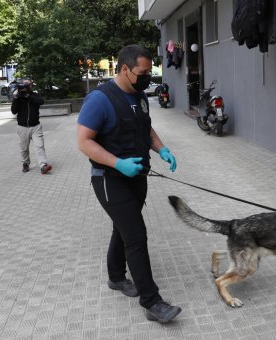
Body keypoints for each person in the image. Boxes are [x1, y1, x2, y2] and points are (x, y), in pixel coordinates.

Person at [76, 45, 181, 322]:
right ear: (125, 69)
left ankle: (116, 277)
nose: (148, 77)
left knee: (122, 228)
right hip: (110, 180)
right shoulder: (100, 100)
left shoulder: (140, 96)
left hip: (138, 177)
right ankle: (152, 302)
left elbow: (145, 128)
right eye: (143, 72)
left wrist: (162, 149)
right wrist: (117, 163)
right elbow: (83, 142)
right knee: (136, 236)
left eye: (150, 71)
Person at [11, 78, 52, 174]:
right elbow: (13, 111)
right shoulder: (18, 97)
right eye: (25, 84)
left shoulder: (34, 95)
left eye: (29, 84)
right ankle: (25, 163)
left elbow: (41, 101)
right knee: (24, 148)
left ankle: (43, 165)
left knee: (40, 146)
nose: (28, 86)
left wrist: (28, 96)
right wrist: (16, 98)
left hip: (35, 126)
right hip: (22, 127)